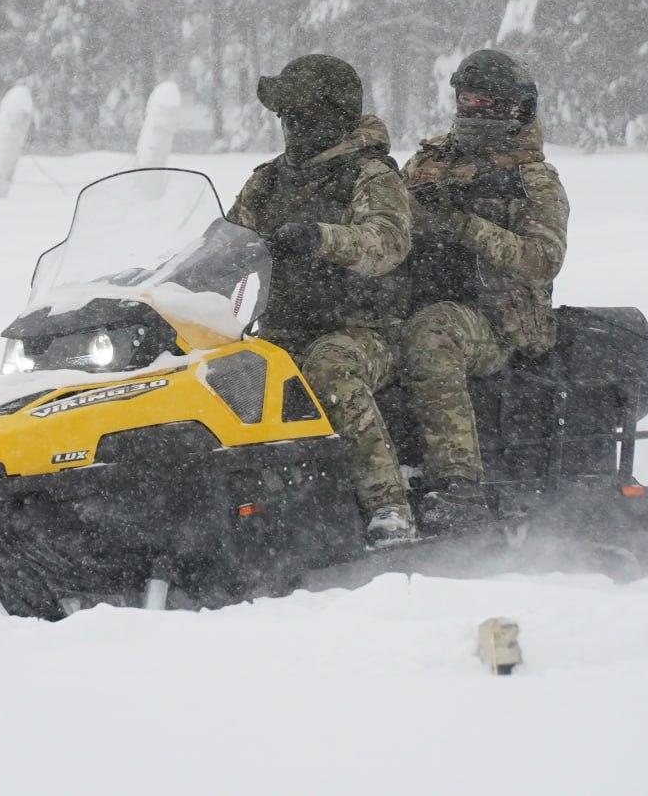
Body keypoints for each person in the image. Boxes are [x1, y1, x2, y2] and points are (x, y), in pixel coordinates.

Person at [226, 54, 416, 545]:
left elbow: (387, 243)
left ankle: (388, 504)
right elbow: (224, 241)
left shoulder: (370, 175)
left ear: (331, 116)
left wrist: (322, 238)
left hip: (368, 331)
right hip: (282, 329)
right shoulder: (267, 180)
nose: (291, 126)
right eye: (285, 116)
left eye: (301, 115)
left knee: (329, 367)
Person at [400, 48, 569, 531]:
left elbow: (542, 260)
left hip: (501, 321)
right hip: (424, 296)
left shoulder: (533, 180)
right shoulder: (429, 161)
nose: (473, 110)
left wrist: (463, 226)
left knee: (433, 336)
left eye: (487, 102)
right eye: (466, 99)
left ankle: (460, 487)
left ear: (515, 107)